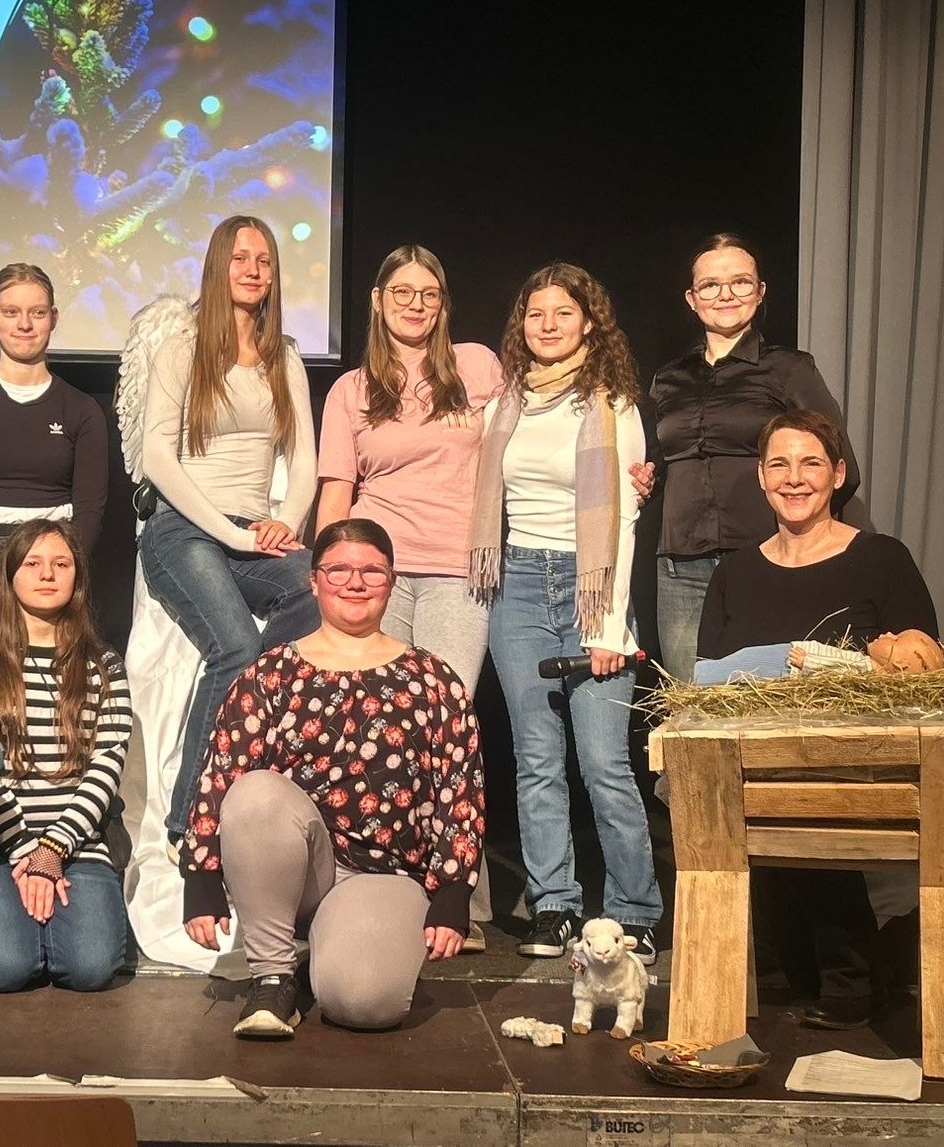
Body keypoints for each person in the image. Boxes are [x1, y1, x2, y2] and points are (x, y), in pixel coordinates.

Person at [182, 519, 483, 1037]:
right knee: (255, 794)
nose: (355, 582)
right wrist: (201, 875)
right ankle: (273, 977)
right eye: (338, 569)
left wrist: (453, 890)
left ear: (391, 581)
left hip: (384, 874)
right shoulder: (270, 673)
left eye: (372, 571)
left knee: (365, 1004)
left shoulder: (433, 679)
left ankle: (333, 951)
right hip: (297, 871)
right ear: (314, 580)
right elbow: (221, 773)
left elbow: (461, 789)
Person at [697, 409, 938, 1029]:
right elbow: (709, 679)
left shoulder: (880, 558)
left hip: (854, 764)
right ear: (761, 476)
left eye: (811, 463)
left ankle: (849, 971)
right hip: (755, 762)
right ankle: (819, 967)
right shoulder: (735, 572)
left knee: (805, 786)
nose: (794, 477)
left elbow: (924, 666)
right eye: (779, 464)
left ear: (837, 473)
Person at [469, 264, 662, 966]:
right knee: (536, 760)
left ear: (589, 323)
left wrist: (609, 627)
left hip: (592, 588)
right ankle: (554, 905)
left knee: (604, 764)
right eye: (535, 314)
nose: (548, 326)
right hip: (518, 584)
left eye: (563, 313)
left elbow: (626, 522)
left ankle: (635, 910)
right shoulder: (504, 404)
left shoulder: (613, 404)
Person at [316, 245, 502, 949]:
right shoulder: (352, 389)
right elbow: (338, 490)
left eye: (428, 293)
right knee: (371, 726)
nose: (415, 304)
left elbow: (537, 433)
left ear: (442, 302)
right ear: (378, 299)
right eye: (402, 291)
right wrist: (330, 571)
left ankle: (458, 899)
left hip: (458, 569)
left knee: (446, 725)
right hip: (377, 573)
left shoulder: (478, 366)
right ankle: (369, 889)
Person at [138, 215, 320, 843]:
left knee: (314, 587)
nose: (252, 270)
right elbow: (157, 457)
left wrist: (283, 524)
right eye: (240, 258)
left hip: (251, 529)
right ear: (218, 265)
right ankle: (188, 822)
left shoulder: (284, 356)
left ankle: (257, 718)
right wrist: (236, 535)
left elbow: (305, 459)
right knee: (237, 646)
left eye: (263, 260)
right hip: (183, 529)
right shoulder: (183, 347)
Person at [647, 233, 859, 683]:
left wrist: (804, 545)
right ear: (691, 299)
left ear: (760, 292)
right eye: (710, 285)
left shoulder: (789, 369)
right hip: (682, 567)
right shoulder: (668, 379)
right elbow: (654, 466)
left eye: (740, 282)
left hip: (766, 559)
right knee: (690, 702)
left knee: (771, 696)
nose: (725, 294)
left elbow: (839, 466)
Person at [0, 519, 131, 992]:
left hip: (75, 843)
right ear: (10, 575)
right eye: (33, 563)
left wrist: (53, 848)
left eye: (61, 564)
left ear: (77, 577)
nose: (47, 574)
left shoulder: (103, 664)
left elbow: (106, 768)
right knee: (6, 969)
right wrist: (27, 850)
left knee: (90, 968)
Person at [0, 264, 108, 651]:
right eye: (11, 312)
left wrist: (57, 569)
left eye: (37, 312)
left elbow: (90, 509)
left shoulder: (82, 410)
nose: (24, 324)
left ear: (53, 318)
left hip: (53, 565)